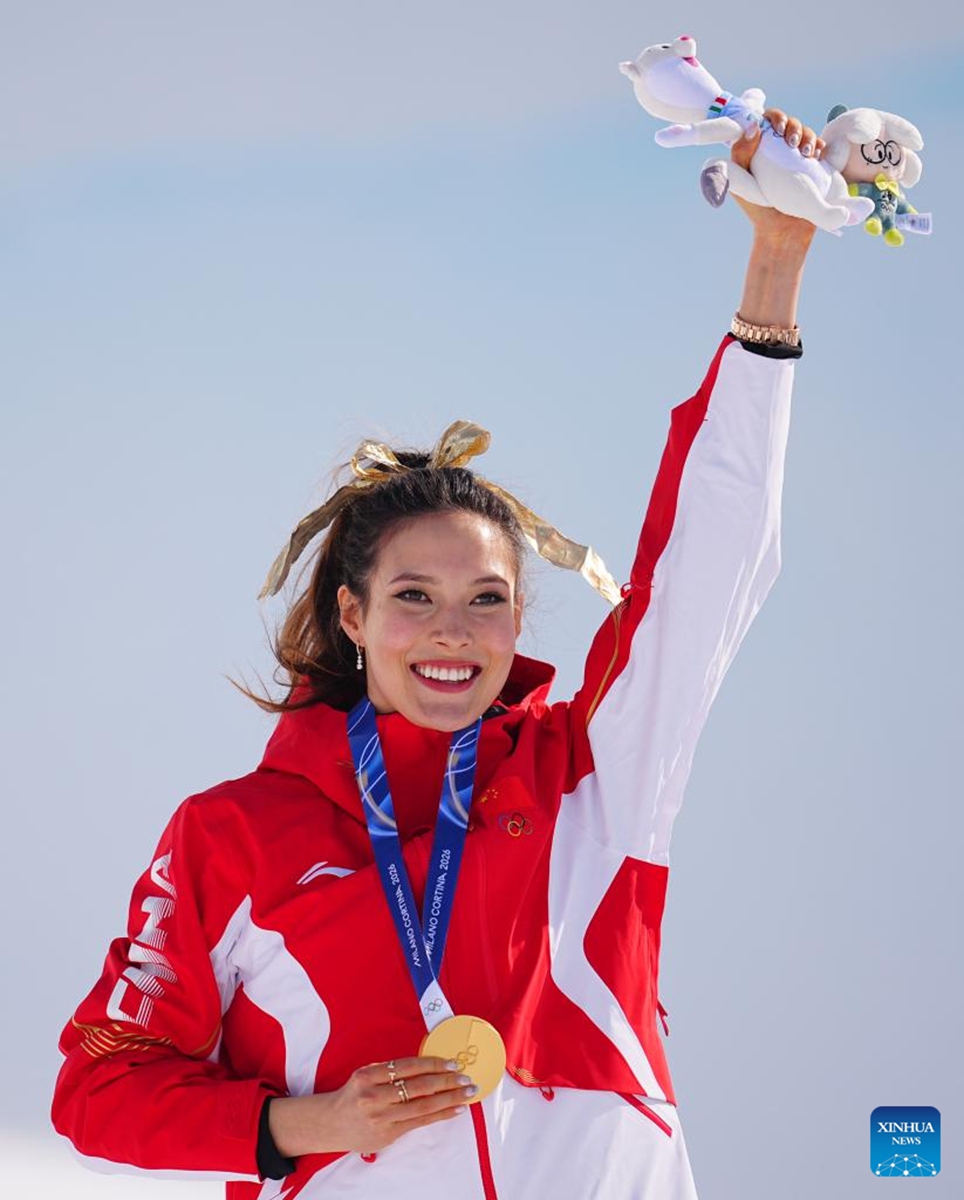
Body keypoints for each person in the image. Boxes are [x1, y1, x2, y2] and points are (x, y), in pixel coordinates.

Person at [52, 112, 820, 1199]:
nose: (453, 629)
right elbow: (96, 1090)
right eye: (413, 598)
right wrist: (311, 1120)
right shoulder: (233, 836)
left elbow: (709, 565)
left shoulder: (596, 772)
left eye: (487, 600)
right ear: (353, 616)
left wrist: (775, 268)